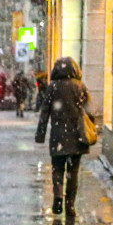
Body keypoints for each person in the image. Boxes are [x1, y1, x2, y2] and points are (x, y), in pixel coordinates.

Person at [35, 56, 91, 216]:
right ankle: (70, 204)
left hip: (58, 136)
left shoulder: (52, 87)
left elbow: (45, 111)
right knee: (73, 173)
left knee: (58, 169)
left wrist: (40, 134)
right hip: (77, 136)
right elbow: (90, 111)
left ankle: (58, 196)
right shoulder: (80, 87)